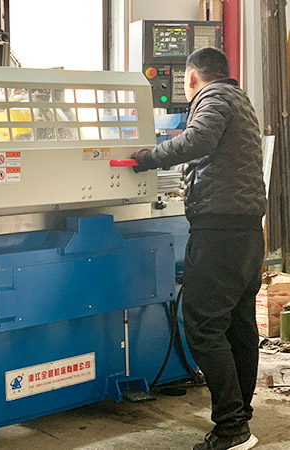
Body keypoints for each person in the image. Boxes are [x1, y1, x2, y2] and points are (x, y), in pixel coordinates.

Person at [132, 47, 266, 450]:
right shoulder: (239, 99)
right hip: (247, 231)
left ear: (190, 79)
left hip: (219, 231)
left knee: (204, 326)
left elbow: (198, 139)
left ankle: (231, 429)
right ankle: (240, 416)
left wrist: (147, 158)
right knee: (239, 326)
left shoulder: (213, 98)